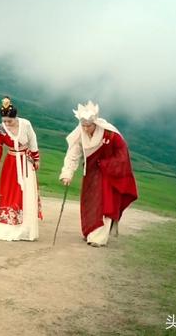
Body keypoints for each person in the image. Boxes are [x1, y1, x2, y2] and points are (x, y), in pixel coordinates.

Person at [59, 100, 137, 247]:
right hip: (90, 173)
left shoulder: (111, 134)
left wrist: (107, 164)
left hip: (108, 174)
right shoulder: (80, 134)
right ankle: (90, 231)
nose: (86, 129)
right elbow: (73, 154)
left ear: (95, 123)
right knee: (90, 202)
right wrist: (67, 173)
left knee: (105, 203)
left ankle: (98, 238)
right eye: (83, 126)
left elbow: (122, 154)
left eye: (88, 126)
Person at [0, 96, 42, 241]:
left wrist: (36, 158)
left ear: (15, 117)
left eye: (9, 121)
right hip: (11, 163)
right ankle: (8, 228)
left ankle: (26, 230)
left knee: (26, 193)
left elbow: (32, 140)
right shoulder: (0, 129)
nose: (7, 123)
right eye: (4, 120)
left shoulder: (26, 124)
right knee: (10, 193)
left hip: (26, 162)